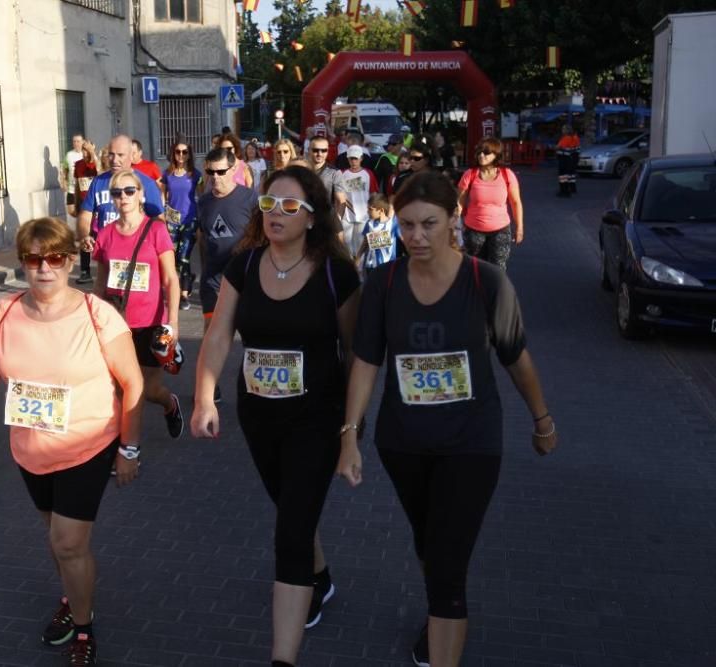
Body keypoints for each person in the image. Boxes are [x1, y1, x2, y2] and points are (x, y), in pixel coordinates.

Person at [337, 171, 558, 667]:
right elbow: (367, 361)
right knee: (429, 544)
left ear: (453, 219)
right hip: (404, 444)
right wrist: (350, 436)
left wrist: (541, 419)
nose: (415, 236)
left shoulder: (487, 281)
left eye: (428, 224)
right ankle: (439, 613)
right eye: (406, 225)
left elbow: (515, 356)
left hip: (472, 443)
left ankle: (442, 622)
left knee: (448, 561)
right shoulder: (384, 283)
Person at [191, 165, 360, 667]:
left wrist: (352, 428)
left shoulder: (337, 273)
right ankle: (322, 578)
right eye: (268, 205)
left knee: (289, 531)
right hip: (259, 415)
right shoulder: (244, 266)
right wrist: (204, 396)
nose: (276, 215)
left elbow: (355, 355)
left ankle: (282, 657)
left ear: (312, 217)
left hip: (318, 417)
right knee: (291, 507)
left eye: (290, 207)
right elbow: (220, 334)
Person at [0, 217, 144, 667]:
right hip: (31, 450)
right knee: (55, 537)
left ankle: (83, 628)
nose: (45, 268)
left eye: (56, 258)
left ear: (69, 260)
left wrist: (129, 447)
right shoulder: (4, 313)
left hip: (88, 443)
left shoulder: (96, 313)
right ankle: (73, 596)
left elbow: (133, 381)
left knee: (67, 542)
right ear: (23, 262)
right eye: (33, 259)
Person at [92, 169, 184, 439]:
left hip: (150, 323)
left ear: (141, 195)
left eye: (129, 191)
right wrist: (92, 319)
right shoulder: (106, 234)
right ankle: (128, 446)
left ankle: (170, 404)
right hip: (116, 323)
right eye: (117, 193)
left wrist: (173, 323)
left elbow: (170, 279)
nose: (124, 197)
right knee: (122, 387)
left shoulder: (156, 230)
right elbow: (100, 282)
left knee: (149, 390)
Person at [196, 147, 258, 402]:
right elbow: (202, 237)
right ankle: (209, 389)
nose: (216, 177)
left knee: (253, 336)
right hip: (213, 280)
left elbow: (263, 236)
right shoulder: (204, 201)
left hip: (245, 281)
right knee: (211, 334)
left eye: (221, 171)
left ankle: (257, 385)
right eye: (211, 172)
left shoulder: (250, 198)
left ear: (234, 170)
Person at [78, 135, 165, 251]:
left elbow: (159, 221)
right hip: (107, 251)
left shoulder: (146, 184)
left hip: (138, 251)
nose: (114, 160)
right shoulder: (98, 182)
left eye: (120, 155)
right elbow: (85, 215)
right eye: (111, 154)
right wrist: (85, 236)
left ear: (131, 156)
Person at [457, 138, 524, 270]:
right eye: (479, 152)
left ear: (496, 155)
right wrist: (454, 227)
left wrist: (519, 228)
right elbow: (459, 202)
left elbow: (516, 203)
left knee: (498, 270)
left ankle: (495, 291)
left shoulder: (507, 175)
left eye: (486, 153)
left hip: (501, 231)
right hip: (473, 230)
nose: (481, 155)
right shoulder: (470, 174)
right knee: (475, 268)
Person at [160, 139, 202, 310]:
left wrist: (200, 220)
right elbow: (163, 196)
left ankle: (183, 294)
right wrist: (163, 215)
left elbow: (200, 197)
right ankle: (186, 279)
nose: (181, 155)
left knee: (184, 255)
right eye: (178, 152)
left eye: (185, 152)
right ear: (173, 154)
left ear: (189, 154)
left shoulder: (195, 174)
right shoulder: (167, 174)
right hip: (172, 221)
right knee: (173, 256)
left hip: (190, 219)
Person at [340, 145, 379, 259]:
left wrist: (374, 214)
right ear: (347, 159)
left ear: (361, 158)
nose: (353, 161)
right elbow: (340, 195)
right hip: (346, 216)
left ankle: (360, 270)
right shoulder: (342, 174)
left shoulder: (368, 174)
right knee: (345, 244)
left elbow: (374, 194)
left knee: (360, 246)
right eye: (351, 158)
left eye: (356, 158)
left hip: (364, 216)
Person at [356, 192, 403, 276]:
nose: (367, 212)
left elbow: (403, 239)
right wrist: (358, 257)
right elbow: (365, 243)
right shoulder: (369, 224)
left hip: (387, 267)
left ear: (381, 210)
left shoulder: (393, 223)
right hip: (370, 266)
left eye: (370, 209)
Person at [72, 140, 99, 285]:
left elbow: (100, 170)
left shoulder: (96, 163)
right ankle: (85, 271)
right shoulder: (78, 165)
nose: (85, 153)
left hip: (97, 206)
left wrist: (93, 154)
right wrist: (75, 204)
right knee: (84, 236)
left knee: (100, 236)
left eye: (87, 150)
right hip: (84, 206)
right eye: (83, 150)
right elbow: (77, 185)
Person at [308, 135, 348, 223]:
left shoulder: (335, 173)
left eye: (323, 150)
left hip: (325, 222)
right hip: (303, 221)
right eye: (315, 150)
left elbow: (341, 201)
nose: (320, 153)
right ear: (309, 150)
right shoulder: (301, 170)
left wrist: (336, 223)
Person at [556, 124, 580, 197]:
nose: (562, 130)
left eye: (563, 129)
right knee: (569, 175)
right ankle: (570, 189)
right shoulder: (575, 137)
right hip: (571, 158)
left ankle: (564, 191)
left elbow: (558, 147)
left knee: (563, 176)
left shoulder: (566, 138)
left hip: (564, 158)